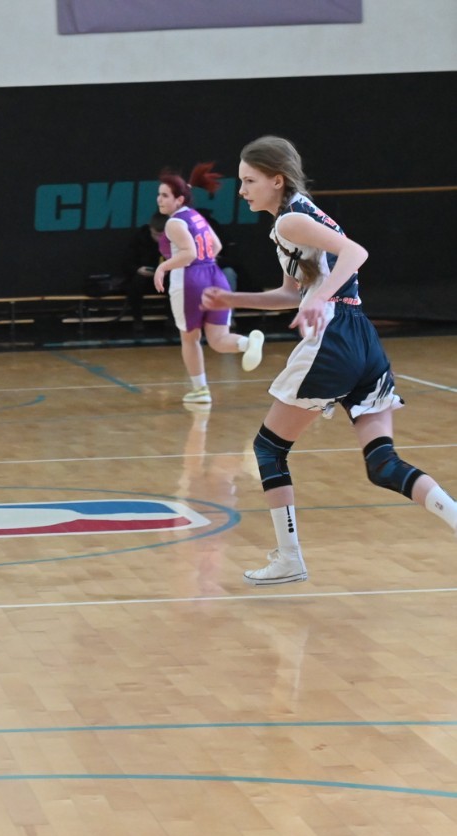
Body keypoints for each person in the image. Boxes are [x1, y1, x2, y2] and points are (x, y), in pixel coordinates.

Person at [202, 135, 457, 585]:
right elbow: (290, 294)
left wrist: (320, 298)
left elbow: (355, 252)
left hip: (335, 334)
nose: (241, 190)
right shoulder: (293, 218)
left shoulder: (292, 220)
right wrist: (232, 298)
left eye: (249, 180)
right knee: (383, 464)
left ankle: (289, 558)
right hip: (363, 339)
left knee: (268, 449)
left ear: (276, 180)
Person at [154, 163, 264, 404]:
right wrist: (204, 266)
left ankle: (201, 391)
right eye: (159, 194)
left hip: (189, 280)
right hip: (215, 276)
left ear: (179, 199)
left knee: (190, 338)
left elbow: (189, 253)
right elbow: (216, 246)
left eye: (164, 195)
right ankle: (248, 343)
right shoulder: (196, 216)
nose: (159, 199)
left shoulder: (174, 222)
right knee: (218, 339)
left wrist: (163, 267)